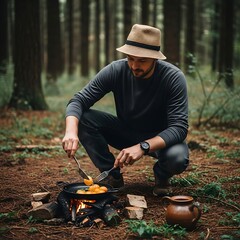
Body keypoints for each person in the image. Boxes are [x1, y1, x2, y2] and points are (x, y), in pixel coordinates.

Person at [62, 24, 189, 196]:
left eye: (142, 61)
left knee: (178, 158)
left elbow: (179, 128)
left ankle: (162, 175)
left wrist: (143, 146)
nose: (134, 65)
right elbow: (79, 100)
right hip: (126, 131)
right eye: (130, 58)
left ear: (155, 59)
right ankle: (111, 175)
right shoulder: (116, 70)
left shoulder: (173, 78)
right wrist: (71, 132)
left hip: (161, 138)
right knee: (83, 118)